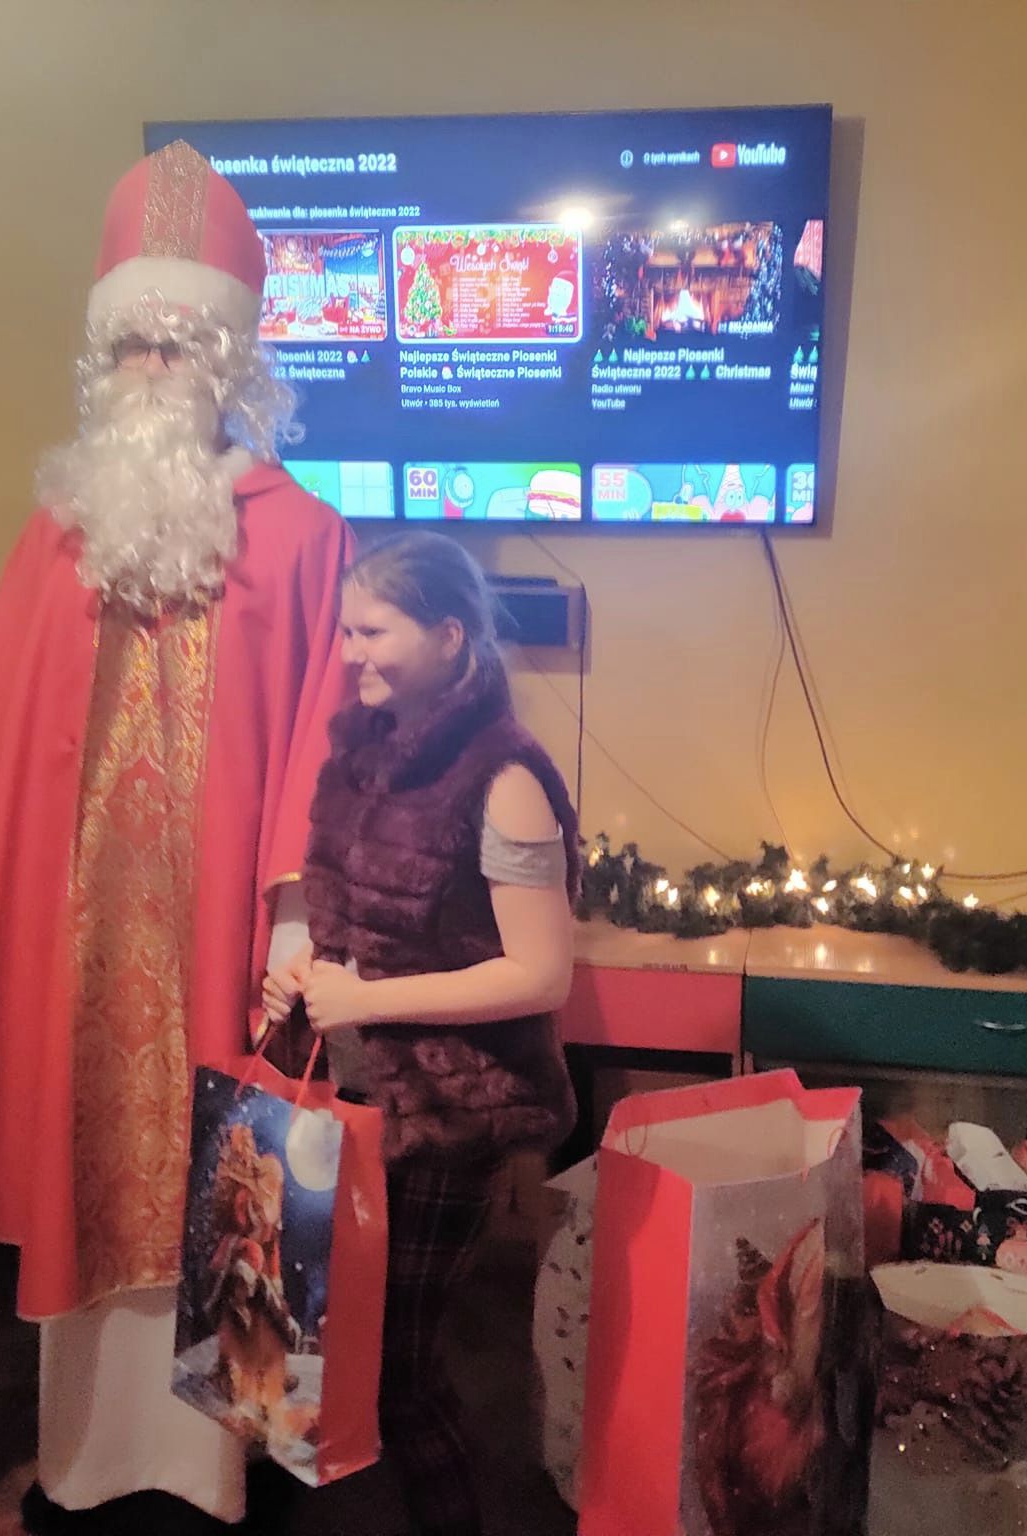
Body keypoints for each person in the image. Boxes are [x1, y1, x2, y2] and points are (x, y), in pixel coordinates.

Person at [0, 140, 351, 1534]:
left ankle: (220, 1475)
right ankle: (88, 1469)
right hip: (84, 961)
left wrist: (296, 920)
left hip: (219, 956)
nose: (156, 367)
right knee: (88, 1205)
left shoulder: (303, 538)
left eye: (182, 342)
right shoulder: (61, 535)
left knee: (230, 1204)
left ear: (230, 360)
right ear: (105, 357)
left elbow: (322, 742)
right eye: (134, 343)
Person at [262, 531, 580, 1536]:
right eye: (346, 630)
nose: (349, 652)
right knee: (311, 1350)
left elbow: (540, 974)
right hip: (346, 1098)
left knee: (397, 1374)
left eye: (373, 632)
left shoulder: (506, 776)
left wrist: (368, 1001)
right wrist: (301, 968)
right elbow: (342, 912)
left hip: (447, 1113)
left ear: (449, 637)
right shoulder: (359, 751)